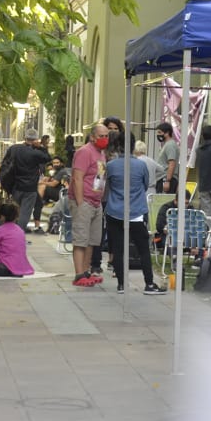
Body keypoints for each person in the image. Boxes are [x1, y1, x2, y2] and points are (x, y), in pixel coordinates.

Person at [104, 134, 167, 295]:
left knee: (118, 249)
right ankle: (149, 283)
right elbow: (145, 185)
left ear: (117, 146)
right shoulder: (141, 165)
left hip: (114, 211)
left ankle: (121, 284)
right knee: (143, 249)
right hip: (136, 211)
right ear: (133, 146)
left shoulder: (110, 165)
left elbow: (107, 186)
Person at [70, 123, 110, 287]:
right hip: (84, 200)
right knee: (81, 239)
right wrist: (80, 203)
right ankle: (79, 274)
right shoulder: (84, 152)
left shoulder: (101, 153)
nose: (105, 139)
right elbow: (77, 178)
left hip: (96, 201)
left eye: (107, 136)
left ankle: (86, 271)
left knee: (92, 240)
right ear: (93, 136)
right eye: (101, 136)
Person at [1, 129, 51, 233]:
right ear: (36, 139)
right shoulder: (35, 153)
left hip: (15, 185)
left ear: (25, 137)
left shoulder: (14, 149)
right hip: (30, 187)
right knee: (25, 213)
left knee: (13, 211)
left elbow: (5, 163)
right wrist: (42, 148)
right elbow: (47, 158)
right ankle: (17, 234)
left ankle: (9, 232)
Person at [0, 202, 36, 276]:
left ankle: (10, 272)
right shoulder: (20, 230)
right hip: (21, 266)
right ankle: (14, 271)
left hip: (5, 265)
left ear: (2, 216)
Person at [153, 121, 179, 194]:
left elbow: (172, 163)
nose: (158, 135)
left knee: (163, 203)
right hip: (163, 179)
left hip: (165, 179)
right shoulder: (167, 145)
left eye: (159, 132)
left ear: (167, 133)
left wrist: (167, 181)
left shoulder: (170, 145)